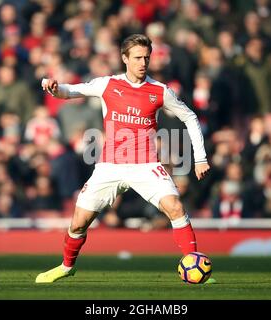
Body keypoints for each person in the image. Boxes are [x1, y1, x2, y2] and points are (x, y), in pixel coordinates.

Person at [35, 34, 210, 283]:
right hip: (110, 166)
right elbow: (71, 91)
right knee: (78, 223)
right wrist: (55, 88)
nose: (143, 63)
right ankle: (66, 266)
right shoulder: (108, 84)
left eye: (146, 58)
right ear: (125, 58)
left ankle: (195, 264)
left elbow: (191, 118)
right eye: (138, 57)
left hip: (146, 165)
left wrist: (200, 158)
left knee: (175, 207)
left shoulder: (160, 91)